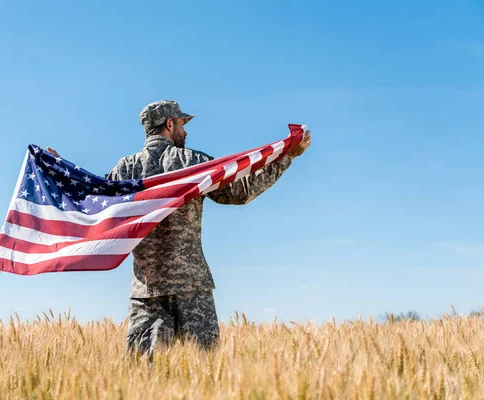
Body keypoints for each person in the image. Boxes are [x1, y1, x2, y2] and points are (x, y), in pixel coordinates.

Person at [49, 100, 311, 360]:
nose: (185, 132)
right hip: (192, 287)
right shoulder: (193, 163)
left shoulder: (125, 170)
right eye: (183, 124)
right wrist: (287, 157)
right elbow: (240, 192)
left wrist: (60, 171)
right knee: (203, 372)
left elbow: (94, 198)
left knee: (144, 378)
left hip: (146, 292)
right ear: (170, 123)